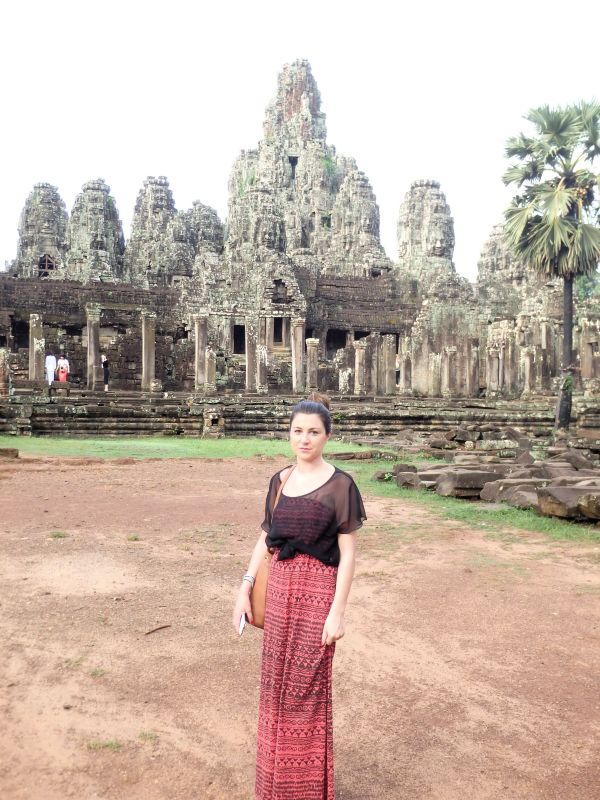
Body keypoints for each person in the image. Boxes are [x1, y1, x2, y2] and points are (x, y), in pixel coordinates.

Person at [233, 393, 366, 800]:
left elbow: (347, 556)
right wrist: (245, 586)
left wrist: (337, 613)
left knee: (307, 691)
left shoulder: (341, 485)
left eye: (313, 432)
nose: (304, 439)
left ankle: (306, 790)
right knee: (275, 687)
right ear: (288, 434)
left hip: (317, 594)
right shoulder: (281, 481)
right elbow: (265, 538)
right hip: (279, 591)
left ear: (327, 436)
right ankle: (274, 786)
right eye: (297, 431)